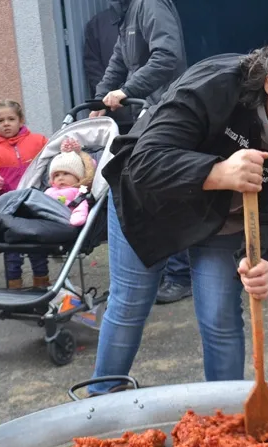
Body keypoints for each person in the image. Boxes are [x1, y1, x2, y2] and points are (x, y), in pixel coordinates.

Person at [88, 23, 268, 395]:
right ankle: (99, 401)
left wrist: (267, 259)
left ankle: (229, 414)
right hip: (149, 202)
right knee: (130, 304)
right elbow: (144, 163)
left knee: (220, 315)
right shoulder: (215, 84)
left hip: (221, 220)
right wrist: (217, 172)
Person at [89, 0, 192, 306]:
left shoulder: (150, 5)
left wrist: (127, 90)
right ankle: (162, 269)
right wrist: (99, 99)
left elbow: (167, 56)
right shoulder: (126, 14)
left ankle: (181, 275)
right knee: (148, 193)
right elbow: (118, 63)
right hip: (150, 112)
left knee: (168, 193)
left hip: (171, 110)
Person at [0, 100, 49, 289]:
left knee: (37, 246)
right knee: (11, 249)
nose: (6, 124)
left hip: (35, 204)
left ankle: (42, 282)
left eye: (11, 119)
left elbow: (54, 162)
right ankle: (13, 286)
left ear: (21, 120)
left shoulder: (38, 141)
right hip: (8, 209)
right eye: (0, 121)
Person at [83, 6, 134, 134]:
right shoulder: (97, 24)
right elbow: (94, 69)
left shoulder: (148, 12)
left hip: (146, 108)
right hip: (115, 112)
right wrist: (102, 100)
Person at [45, 140, 96, 227]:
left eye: (66, 174)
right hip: (45, 216)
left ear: (77, 177)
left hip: (64, 220)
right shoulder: (49, 190)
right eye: (56, 175)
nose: (60, 178)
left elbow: (82, 205)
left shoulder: (79, 191)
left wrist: (78, 216)